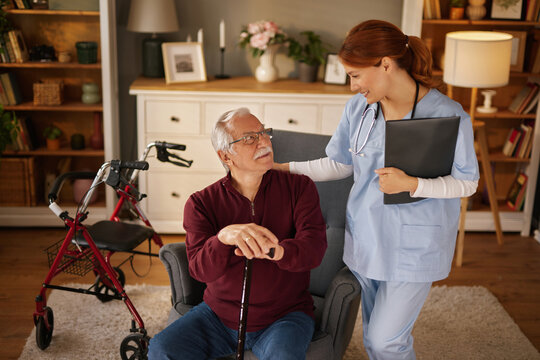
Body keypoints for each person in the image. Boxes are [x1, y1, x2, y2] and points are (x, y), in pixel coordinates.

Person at [274, 20, 479, 359]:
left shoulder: (448, 115)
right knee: (374, 340)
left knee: (387, 341)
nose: (352, 86)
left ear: (385, 63)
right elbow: (340, 164)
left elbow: (468, 182)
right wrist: (283, 169)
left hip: (415, 246)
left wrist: (413, 184)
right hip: (368, 237)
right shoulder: (360, 109)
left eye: (355, 75)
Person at [148, 107, 327, 360]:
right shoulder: (201, 203)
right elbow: (199, 269)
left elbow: (314, 249)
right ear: (226, 155)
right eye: (250, 138)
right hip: (217, 317)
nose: (264, 141)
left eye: (264, 133)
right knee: (161, 349)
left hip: (286, 316)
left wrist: (274, 250)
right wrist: (223, 239)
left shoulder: (300, 187)